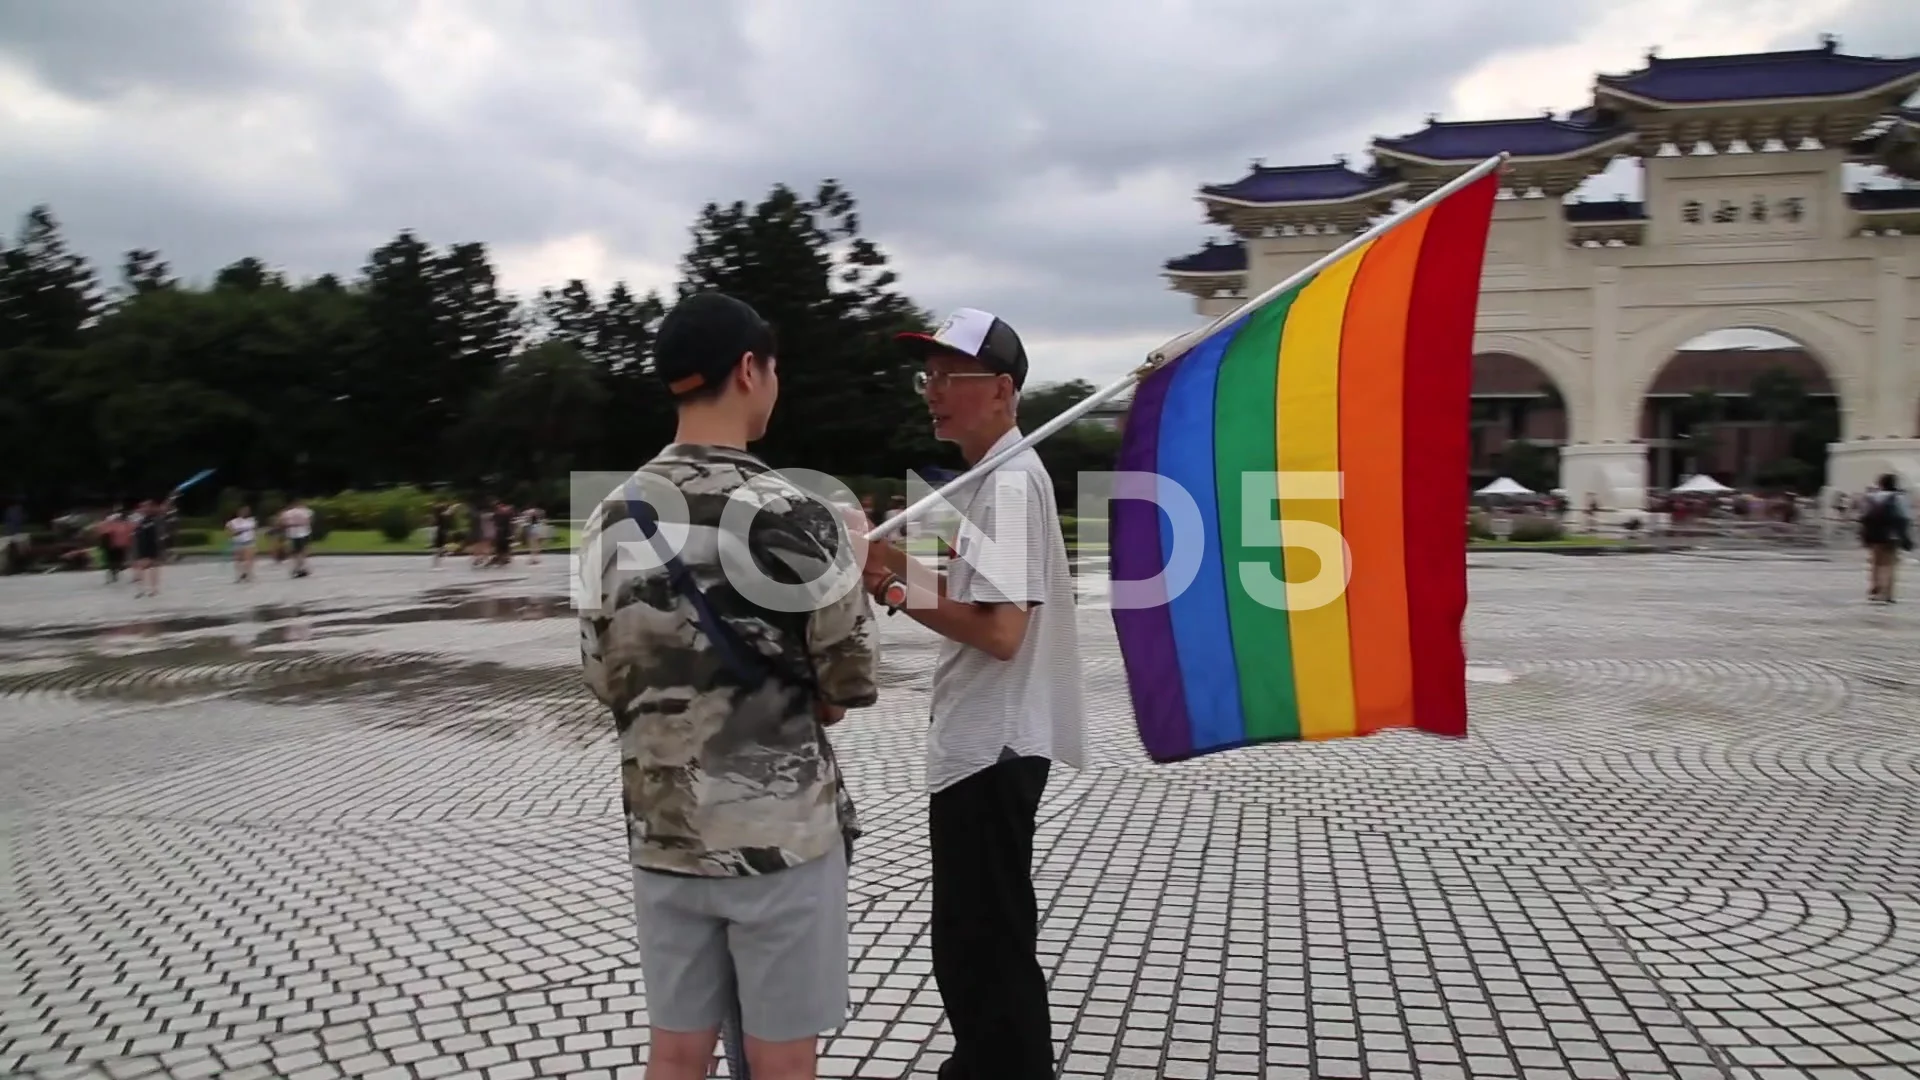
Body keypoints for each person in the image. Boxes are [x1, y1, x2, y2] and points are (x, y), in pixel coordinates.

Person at [579, 291, 878, 1080]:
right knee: (780, 1060)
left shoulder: (608, 518)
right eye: (773, 368)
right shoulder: (796, 514)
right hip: (778, 837)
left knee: (677, 1052)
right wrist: (848, 553)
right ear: (750, 370)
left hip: (664, 832)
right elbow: (845, 684)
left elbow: (602, 676)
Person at [860, 308, 1086, 1079]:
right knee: (978, 941)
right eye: (927, 376)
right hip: (986, 743)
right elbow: (976, 603)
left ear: (1000, 390)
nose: (932, 392)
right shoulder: (993, 479)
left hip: (992, 745)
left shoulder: (1013, 483)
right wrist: (890, 566)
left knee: (982, 947)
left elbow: (999, 632)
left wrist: (889, 584)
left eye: (949, 377)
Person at [1858, 473, 1913, 603]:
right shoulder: (1899, 497)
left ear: (1880, 484)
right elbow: (1905, 517)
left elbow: (1863, 515)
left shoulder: (1871, 497)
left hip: (1874, 534)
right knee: (1889, 564)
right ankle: (1887, 593)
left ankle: (1874, 589)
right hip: (1891, 535)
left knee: (1875, 563)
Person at [131, 499, 163, 598]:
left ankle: (149, 589)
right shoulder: (141, 520)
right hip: (142, 546)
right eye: (142, 507)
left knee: (147, 567)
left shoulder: (152, 519)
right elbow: (136, 533)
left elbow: (151, 533)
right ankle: (147, 589)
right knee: (142, 567)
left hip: (149, 546)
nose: (142, 509)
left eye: (145, 507)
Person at [280, 497, 314, 578]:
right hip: (303, 532)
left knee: (296, 552)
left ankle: (297, 567)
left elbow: (282, 522)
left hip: (292, 533)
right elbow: (309, 520)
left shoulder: (287, 513)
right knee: (303, 550)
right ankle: (300, 568)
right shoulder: (305, 511)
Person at [227, 505, 259, 583]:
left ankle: (247, 574)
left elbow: (254, 532)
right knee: (238, 560)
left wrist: (255, 541)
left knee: (249, 559)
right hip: (238, 542)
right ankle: (239, 575)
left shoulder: (251, 521)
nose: (245, 513)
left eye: (247, 511)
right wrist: (240, 531)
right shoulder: (233, 522)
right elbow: (231, 532)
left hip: (249, 542)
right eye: (243, 511)